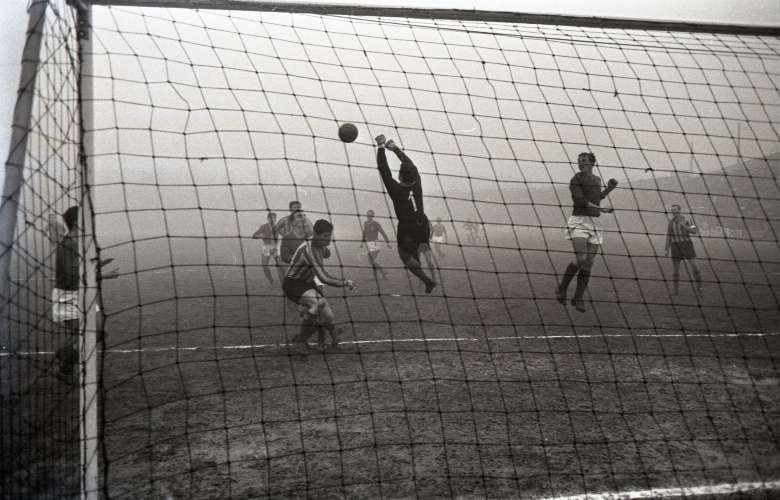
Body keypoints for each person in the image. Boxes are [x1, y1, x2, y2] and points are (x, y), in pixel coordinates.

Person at [556, 152, 618, 312]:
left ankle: (578, 298)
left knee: (589, 262)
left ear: (592, 163)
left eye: (584, 160)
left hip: (595, 223)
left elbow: (597, 198)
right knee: (581, 258)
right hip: (579, 221)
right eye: (579, 161)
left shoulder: (596, 180)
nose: (580, 163)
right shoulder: (576, 179)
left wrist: (609, 189)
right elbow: (580, 201)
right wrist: (602, 209)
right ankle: (562, 288)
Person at [374, 134, 436, 293]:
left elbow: (384, 170)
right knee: (417, 250)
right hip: (422, 223)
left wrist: (380, 147)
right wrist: (394, 148)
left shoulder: (395, 189)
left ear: (400, 175)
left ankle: (427, 280)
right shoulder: (417, 182)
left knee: (404, 255)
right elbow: (410, 164)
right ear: (414, 175)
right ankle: (426, 277)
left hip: (407, 228)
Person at [283, 219, 354, 354]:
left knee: (328, 317)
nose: (328, 240)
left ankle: (302, 337)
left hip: (308, 283)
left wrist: (326, 251)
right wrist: (344, 282)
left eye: (330, 236)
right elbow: (323, 277)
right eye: (325, 236)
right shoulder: (308, 249)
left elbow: (326, 252)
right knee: (316, 303)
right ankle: (300, 342)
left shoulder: (319, 244)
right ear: (315, 234)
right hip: (293, 283)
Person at [51, 207, 80, 384]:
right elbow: (70, 277)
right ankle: (65, 370)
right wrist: (99, 274)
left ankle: (64, 352)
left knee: (97, 330)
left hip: (80, 294)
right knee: (87, 333)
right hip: (68, 296)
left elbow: (75, 271)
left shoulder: (76, 242)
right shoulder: (70, 244)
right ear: (76, 222)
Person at [665, 203, 703, 295]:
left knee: (695, 267)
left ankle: (699, 287)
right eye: (672, 210)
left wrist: (684, 226)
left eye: (675, 210)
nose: (673, 212)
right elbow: (668, 236)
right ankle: (675, 290)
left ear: (679, 210)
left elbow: (694, 231)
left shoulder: (688, 219)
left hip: (686, 245)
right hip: (675, 246)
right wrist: (666, 249)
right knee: (675, 270)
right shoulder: (671, 222)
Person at [275, 200, 314, 267]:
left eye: (298, 207)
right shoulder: (284, 219)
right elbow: (275, 229)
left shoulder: (306, 220)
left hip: (300, 243)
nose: (297, 209)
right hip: (286, 243)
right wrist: (283, 234)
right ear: (290, 209)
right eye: (294, 207)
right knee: (282, 263)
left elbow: (312, 231)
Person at [359, 209, 391, 280]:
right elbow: (364, 233)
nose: (369, 217)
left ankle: (383, 272)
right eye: (367, 215)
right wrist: (362, 242)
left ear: (373, 216)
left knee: (371, 260)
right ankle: (381, 275)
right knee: (371, 261)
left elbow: (383, 233)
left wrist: (387, 243)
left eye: (370, 215)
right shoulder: (365, 223)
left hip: (375, 243)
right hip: (369, 244)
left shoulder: (376, 224)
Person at [252, 211, 280, 284]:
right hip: (267, 247)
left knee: (280, 265)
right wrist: (259, 236)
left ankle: (283, 279)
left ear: (276, 218)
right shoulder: (264, 226)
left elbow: (284, 234)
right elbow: (254, 235)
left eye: (274, 218)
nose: (272, 219)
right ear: (268, 218)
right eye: (270, 218)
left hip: (276, 247)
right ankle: (271, 280)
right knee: (264, 265)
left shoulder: (278, 226)